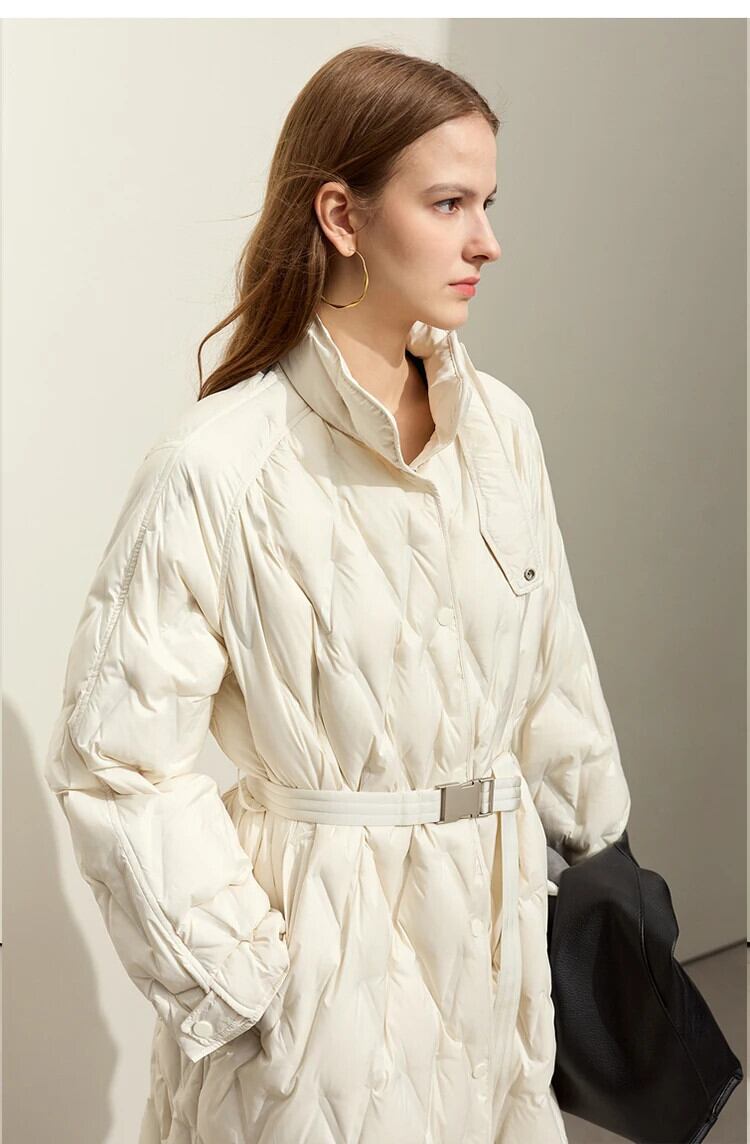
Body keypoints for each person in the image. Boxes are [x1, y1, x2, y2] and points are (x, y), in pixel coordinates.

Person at [44, 44, 631, 1144]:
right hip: (320, 983)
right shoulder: (218, 464)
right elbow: (114, 761)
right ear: (342, 216)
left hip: (496, 963)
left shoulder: (501, 432)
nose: (486, 242)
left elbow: (552, 664)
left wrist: (603, 857)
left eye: (488, 202)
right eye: (448, 203)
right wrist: (246, 984)